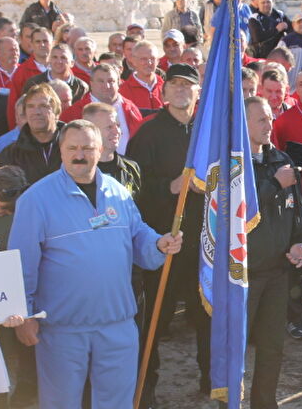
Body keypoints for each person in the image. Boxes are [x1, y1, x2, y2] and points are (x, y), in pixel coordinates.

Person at [8, 119, 181, 408]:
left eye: (88, 148)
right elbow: (21, 261)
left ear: (100, 150)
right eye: (72, 147)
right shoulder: (36, 199)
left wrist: (157, 243)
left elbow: (138, 234)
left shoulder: (118, 192)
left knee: (117, 402)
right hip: (62, 327)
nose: (80, 154)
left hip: (117, 323)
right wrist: (23, 315)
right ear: (60, 150)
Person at [126, 64, 209, 402]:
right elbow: (135, 188)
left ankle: (212, 379)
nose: (180, 90)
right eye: (174, 84)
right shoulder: (147, 134)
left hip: (204, 242)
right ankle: (146, 386)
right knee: (155, 322)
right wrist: (170, 187)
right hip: (163, 242)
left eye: (187, 85)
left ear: (197, 92)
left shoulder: (209, 133)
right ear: (163, 91)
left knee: (207, 316)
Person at [244, 95, 302, 407]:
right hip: (242, 275)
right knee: (235, 348)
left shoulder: (281, 160)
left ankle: (264, 402)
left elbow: (298, 211)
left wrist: (299, 242)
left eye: (270, 117)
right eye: (260, 119)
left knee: (272, 346)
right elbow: (237, 214)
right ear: (242, 124)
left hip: (276, 273)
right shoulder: (233, 165)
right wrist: (273, 184)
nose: (269, 124)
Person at [60, 63, 143, 154]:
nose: (106, 86)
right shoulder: (75, 112)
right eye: (100, 81)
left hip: (126, 165)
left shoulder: (131, 108)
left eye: (111, 81)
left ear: (119, 82)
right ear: (91, 83)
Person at [0, 83, 64, 184]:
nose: (36, 112)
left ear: (57, 112)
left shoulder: (75, 147)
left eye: (43, 106)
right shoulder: (9, 155)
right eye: (31, 106)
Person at [82, 102, 141, 198]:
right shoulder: (77, 169)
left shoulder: (131, 168)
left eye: (118, 125)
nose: (117, 131)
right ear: (90, 131)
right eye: (109, 127)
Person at [118, 41, 165, 113]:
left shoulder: (167, 87)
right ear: (133, 61)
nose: (149, 63)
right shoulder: (123, 91)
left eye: (152, 58)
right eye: (143, 59)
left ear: (158, 61)